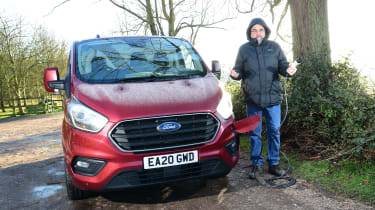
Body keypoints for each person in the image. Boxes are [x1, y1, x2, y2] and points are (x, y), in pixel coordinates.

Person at [230, 18, 297, 179]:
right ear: (250, 33)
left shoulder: (274, 47)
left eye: (260, 29)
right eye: (254, 30)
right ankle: (256, 164)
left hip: (273, 100)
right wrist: (234, 74)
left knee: (274, 132)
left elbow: (283, 66)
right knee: (255, 133)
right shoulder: (244, 49)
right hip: (253, 100)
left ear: (265, 31)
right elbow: (238, 70)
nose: (257, 33)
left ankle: (273, 164)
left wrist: (289, 70)